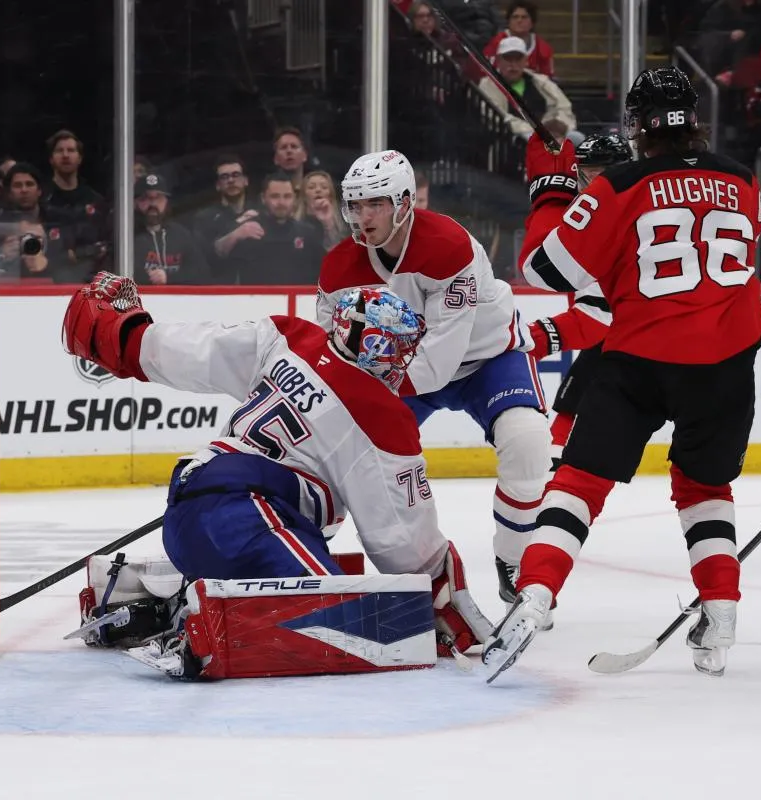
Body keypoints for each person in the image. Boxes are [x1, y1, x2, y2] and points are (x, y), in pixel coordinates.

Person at [487, 66, 761, 681]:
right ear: (694, 120)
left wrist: (553, 189)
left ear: (638, 125)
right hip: (727, 362)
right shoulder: (744, 180)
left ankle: (533, 594)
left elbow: (545, 270)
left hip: (642, 356)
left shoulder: (618, 184)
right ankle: (720, 611)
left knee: (579, 484)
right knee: (705, 491)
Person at [60, 276, 493, 679]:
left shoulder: (290, 339)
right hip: (248, 520)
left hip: (188, 509)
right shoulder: (381, 416)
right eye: (401, 350)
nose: (405, 362)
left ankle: (147, 606)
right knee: (359, 621)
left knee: (331, 591)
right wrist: (439, 593)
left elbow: (194, 351)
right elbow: (401, 545)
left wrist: (126, 336)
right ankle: (195, 627)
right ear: (381, 351)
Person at [316, 150, 550, 616]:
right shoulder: (338, 268)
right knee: (331, 451)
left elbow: (438, 364)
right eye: (355, 205)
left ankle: (514, 561)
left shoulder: (447, 245)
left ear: (403, 202)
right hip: (400, 372)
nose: (363, 217)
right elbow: (331, 354)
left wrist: (366, 392)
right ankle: (305, 547)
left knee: (527, 440)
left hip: (486, 358)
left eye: (375, 204)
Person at [519, 133, 631, 467]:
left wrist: (549, 192)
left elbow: (538, 265)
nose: (591, 183)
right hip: (628, 327)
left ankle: (552, 444)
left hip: (628, 329)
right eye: (585, 173)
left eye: (600, 173)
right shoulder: (624, 203)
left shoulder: (612, 217)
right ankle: (556, 443)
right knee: (590, 373)